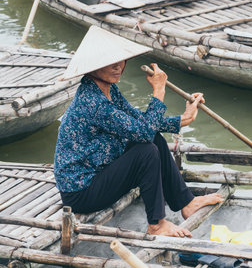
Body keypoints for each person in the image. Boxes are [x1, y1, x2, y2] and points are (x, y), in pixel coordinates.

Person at [54, 26, 223, 237]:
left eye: (121, 60)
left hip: (101, 173)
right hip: (82, 192)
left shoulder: (108, 89)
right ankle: (157, 224)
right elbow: (142, 133)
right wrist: (159, 91)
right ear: (93, 67)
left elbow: (140, 123)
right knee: (145, 151)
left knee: (154, 139)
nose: (118, 67)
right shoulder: (92, 101)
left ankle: (185, 202)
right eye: (110, 62)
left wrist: (182, 119)